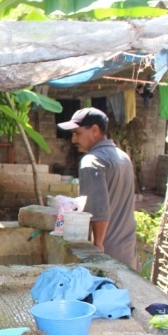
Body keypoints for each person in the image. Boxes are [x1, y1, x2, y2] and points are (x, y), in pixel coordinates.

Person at [58, 107, 139, 271]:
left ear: (94, 130)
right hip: (128, 253)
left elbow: (98, 210)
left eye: (77, 133)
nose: (73, 140)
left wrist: (97, 247)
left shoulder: (91, 162)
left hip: (107, 256)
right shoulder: (123, 157)